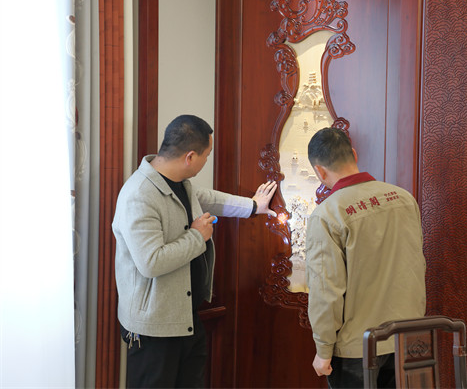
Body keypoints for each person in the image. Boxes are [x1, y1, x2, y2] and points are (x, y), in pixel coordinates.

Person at [112, 114, 277, 388]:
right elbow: (150, 262)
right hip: (155, 329)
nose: (206, 160)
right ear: (190, 157)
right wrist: (197, 236)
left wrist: (252, 206)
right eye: (206, 155)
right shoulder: (139, 195)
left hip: (186, 317)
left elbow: (207, 198)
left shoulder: (180, 183)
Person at [305, 127, 426, 388]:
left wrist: (323, 349)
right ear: (354, 154)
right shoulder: (404, 199)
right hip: (407, 338)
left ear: (320, 171)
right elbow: (417, 265)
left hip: (358, 347)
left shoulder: (327, 214)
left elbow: (326, 291)